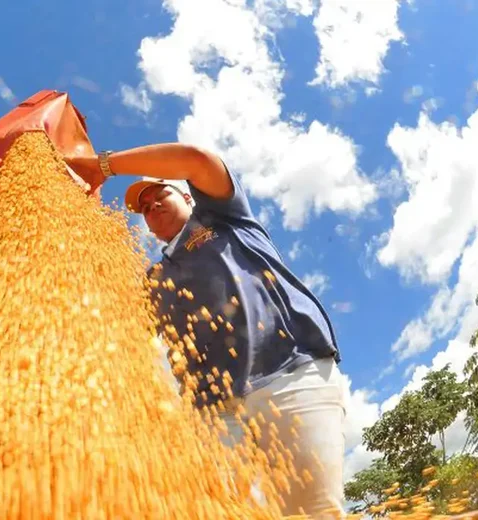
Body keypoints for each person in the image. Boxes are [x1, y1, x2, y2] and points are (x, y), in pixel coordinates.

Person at [65, 143, 347, 518]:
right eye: (144, 209)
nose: (151, 208)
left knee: (312, 511)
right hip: (212, 412)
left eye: (158, 195)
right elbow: (112, 327)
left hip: (287, 372)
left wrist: (103, 166)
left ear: (186, 195)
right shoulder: (155, 280)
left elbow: (196, 161)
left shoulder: (224, 218)